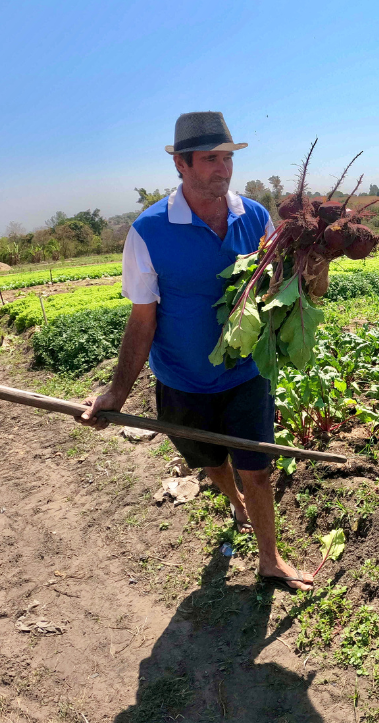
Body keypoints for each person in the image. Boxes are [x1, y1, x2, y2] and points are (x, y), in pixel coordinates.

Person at [78, 111, 322, 591]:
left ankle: (269, 559)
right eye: (210, 159)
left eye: (227, 157)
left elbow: (286, 289)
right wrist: (116, 393)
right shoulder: (149, 231)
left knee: (258, 469)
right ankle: (233, 500)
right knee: (210, 459)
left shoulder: (254, 217)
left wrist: (315, 259)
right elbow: (142, 319)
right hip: (182, 380)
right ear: (181, 165)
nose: (222, 168)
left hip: (246, 373)